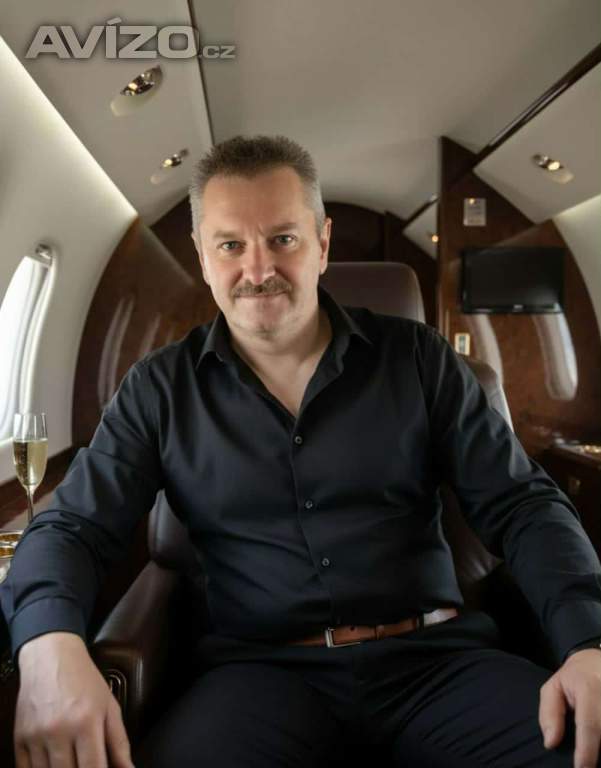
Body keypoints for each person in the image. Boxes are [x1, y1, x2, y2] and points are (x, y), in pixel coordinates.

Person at [2, 135, 601, 768]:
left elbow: (523, 506)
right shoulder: (158, 389)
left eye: (283, 239)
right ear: (203, 256)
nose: (258, 270)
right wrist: (47, 645)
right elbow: (72, 526)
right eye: (231, 245)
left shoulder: (421, 361)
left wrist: (588, 641)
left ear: (322, 242)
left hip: (437, 666)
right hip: (257, 680)